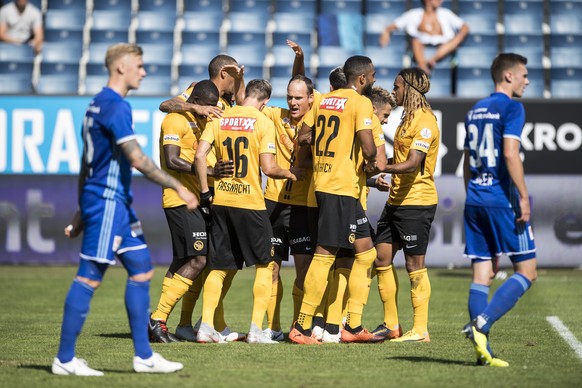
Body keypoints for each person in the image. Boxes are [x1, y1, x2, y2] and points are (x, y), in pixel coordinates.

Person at [52, 43, 196, 376]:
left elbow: (86, 164)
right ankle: (65, 358)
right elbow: (138, 159)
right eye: (140, 66)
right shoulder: (116, 107)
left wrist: (78, 212)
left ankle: (144, 357)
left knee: (142, 268)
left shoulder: (95, 105)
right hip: (105, 202)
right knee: (89, 276)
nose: (144, 72)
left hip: (113, 202)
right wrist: (177, 185)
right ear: (121, 67)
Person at [194, 79, 300, 344]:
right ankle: (255, 329)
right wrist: (288, 172)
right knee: (265, 265)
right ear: (264, 102)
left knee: (218, 267)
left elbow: (199, 156)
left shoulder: (220, 117)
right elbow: (268, 168)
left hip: (221, 201)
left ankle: (205, 326)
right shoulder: (263, 122)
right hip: (250, 204)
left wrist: (206, 192)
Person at [290, 55, 381, 345]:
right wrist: (372, 164)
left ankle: (352, 325)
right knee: (325, 253)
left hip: (332, 184)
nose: (375, 80)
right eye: (373, 76)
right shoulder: (361, 102)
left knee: (366, 252)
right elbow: (369, 146)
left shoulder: (323, 100)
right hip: (340, 186)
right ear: (363, 79)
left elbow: (303, 137)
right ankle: (302, 327)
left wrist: (329, 140)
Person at [156, 54, 245, 342]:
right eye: (232, 78)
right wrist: (209, 170)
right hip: (179, 197)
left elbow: (244, 103)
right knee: (197, 259)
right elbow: (171, 158)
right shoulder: (178, 116)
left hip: (202, 197)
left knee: (189, 260)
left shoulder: (221, 105)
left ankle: (180, 324)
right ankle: (157, 319)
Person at [462, 53, 537, 367]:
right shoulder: (512, 107)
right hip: (501, 200)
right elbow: (510, 153)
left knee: (483, 274)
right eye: (523, 75)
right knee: (528, 272)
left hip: (475, 198)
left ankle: (483, 350)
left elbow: (467, 161)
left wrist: (473, 192)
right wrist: (523, 196)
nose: (527, 80)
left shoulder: (475, 109)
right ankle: (482, 323)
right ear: (508, 76)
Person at [316, 85, 396, 343]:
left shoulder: (341, 117)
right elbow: (377, 162)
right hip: (348, 200)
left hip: (339, 194)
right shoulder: (367, 121)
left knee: (345, 262)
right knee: (349, 259)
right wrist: (380, 168)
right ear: (372, 108)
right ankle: (341, 323)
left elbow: (356, 167)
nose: (385, 120)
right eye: (385, 114)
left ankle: (331, 324)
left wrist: (372, 181)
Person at [372, 67, 440, 343]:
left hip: (417, 201)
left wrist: (383, 165)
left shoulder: (425, 121)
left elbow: (413, 163)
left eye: (397, 86)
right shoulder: (405, 118)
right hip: (396, 200)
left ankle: (420, 329)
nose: (393, 90)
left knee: (414, 265)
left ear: (409, 89)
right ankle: (391, 324)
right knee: (381, 258)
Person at [261, 74, 316, 341]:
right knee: (271, 267)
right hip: (274, 202)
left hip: (304, 206)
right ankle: (273, 326)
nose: (293, 102)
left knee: (304, 269)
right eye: (290, 97)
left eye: (298, 98)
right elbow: (245, 101)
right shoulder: (275, 116)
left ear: (310, 98)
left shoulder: (319, 120)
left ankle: (299, 325)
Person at [378, 0, 468, 75]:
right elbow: (392, 27)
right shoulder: (413, 14)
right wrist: (386, 33)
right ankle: (423, 67)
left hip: (444, 50)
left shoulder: (446, 13)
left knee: (455, 40)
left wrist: (460, 36)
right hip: (421, 49)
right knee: (415, 41)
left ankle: (431, 61)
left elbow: (464, 27)